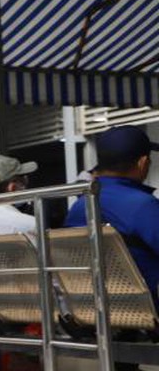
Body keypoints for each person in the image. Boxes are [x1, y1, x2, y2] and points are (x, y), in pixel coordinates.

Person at [66, 126, 159, 299]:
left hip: (99, 311)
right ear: (143, 162)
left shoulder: (80, 205)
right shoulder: (143, 205)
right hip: (148, 310)